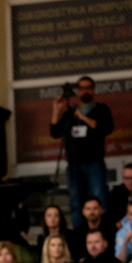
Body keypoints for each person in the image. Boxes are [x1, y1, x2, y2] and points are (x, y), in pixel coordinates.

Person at [49, 76, 113, 218]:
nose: (85, 91)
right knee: (76, 202)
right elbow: (55, 132)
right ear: (78, 91)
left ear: (93, 90)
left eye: (88, 88)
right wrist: (56, 110)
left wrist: (83, 117)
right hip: (74, 164)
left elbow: (106, 128)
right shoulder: (70, 113)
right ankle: (79, 230)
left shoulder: (101, 109)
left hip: (94, 163)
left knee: (99, 199)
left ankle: (101, 229)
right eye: (82, 88)